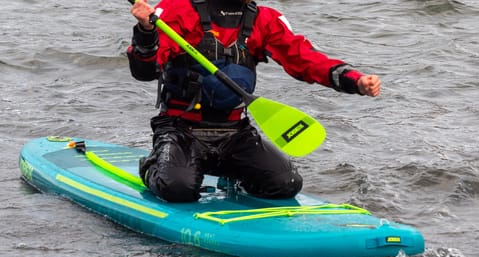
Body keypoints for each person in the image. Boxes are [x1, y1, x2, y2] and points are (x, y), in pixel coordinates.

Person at [126, 0, 381, 202]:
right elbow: (144, 72)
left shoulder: (264, 19)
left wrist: (354, 80)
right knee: (178, 189)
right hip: (181, 129)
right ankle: (152, 166)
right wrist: (147, 31)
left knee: (285, 185)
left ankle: (230, 173)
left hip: (235, 133)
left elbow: (304, 59)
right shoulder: (177, 10)